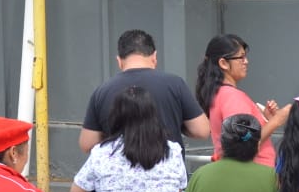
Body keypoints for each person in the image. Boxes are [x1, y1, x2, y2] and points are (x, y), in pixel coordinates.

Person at [79, 29, 210, 153]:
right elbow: (202, 130)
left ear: (119, 61)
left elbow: (87, 144)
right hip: (167, 173)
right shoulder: (175, 84)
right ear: (154, 56)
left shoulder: (102, 91)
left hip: (120, 175)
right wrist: (176, 122)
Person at [194, 33, 291, 166]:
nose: (246, 61)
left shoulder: (220, 93)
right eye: (241, 57)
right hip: (254, 175)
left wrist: (264, 120)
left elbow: (244, 136)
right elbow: (243, 144)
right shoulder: (231, 96)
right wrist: (277, 120)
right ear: (223, 63)